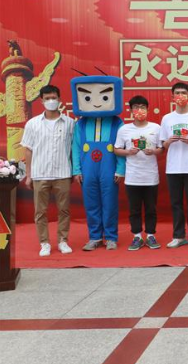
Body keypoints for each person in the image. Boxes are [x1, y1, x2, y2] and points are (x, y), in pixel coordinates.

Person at [71, 72, 126, 251]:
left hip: (109, 167)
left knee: (110, 203)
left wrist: (120, 169)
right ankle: (94, 237)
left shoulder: (117, 123)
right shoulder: (81, 123)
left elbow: (121, 147)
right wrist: (76, 170)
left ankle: (110, 237)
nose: (96, 103)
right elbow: (76, 147)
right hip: (88, 168)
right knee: (91, 202)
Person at [21, 85, 75, 256]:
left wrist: (75, 171)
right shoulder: (33, 124)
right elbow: (28, 149)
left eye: (54, 98)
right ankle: (44, 243)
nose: (51, 101)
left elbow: (74, 149)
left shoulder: (70, 123)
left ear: (59, 99)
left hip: (63, 172)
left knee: (64, 210)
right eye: (47, 98)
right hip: (40, 173)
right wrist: (29, 175)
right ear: (41, 101)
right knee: (40, 211)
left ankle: (63, 241)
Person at [114, 95, 163, 250]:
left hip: (151, 176)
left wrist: (153, 151)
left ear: (147, 109)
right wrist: (128, 152)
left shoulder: (156, 128)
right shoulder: (124, 129)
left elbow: (161, 149)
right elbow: (116, 149)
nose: (139, 110)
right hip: (132, 176)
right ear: (131, 110)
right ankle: (137, 236)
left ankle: (150, 236)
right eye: (136, 107)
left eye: (142, 107)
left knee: (151, 209)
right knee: (134, 209)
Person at [159, 82, 188, 248]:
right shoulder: (167, 118)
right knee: (176, 203)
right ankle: (178, 236)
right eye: (177, 93)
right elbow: (162, 144)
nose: (180, 96)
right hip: (173, 167)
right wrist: (169, 141)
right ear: (172, 97)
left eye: (183, 93)